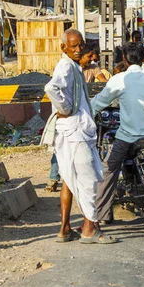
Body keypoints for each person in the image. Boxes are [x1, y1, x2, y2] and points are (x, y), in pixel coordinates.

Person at [42, 28, 115, 244]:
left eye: (80, 45)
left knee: (69, 179)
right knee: (88, 179)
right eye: (73, 46)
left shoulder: (73, 66)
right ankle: (89, 229)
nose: (78, 49)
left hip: (75, 130)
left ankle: (65, 230)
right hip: (75, 132)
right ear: (63, 47)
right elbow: (51, 87)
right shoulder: (65, 66)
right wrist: (66, 107)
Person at [91, 42, 144, 225]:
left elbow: (98, 103)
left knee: (108, 169)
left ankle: (101, 215)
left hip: (129, 137)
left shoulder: (119, 79)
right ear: (143, 58)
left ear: (124, 59)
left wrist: (83, 114)